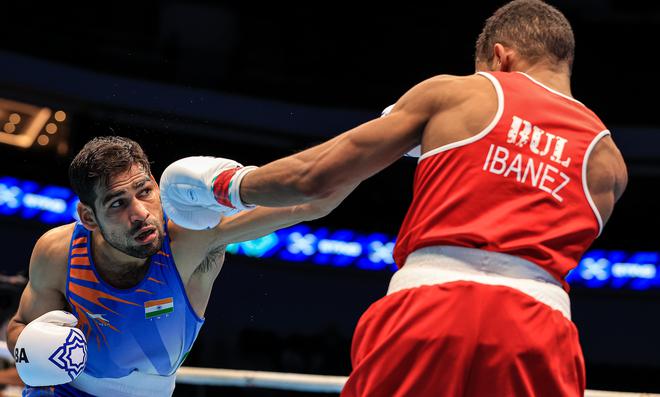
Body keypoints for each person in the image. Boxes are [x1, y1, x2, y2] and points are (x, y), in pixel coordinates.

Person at [170, 0, 628, 395]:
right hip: (541, 334)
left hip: (432, 310)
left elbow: (316, 181)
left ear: (499, 57)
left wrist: (224, 185)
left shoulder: (460, 93)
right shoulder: (609, 165)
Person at [5, 136, 356, 397]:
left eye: (145, 191)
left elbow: (314, 200)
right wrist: (29, 349)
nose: (140, 213)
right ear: (88, 217)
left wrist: (394, 133)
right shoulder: (59, 251)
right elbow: (20, 325)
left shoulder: (194, 240)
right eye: (117, 203)